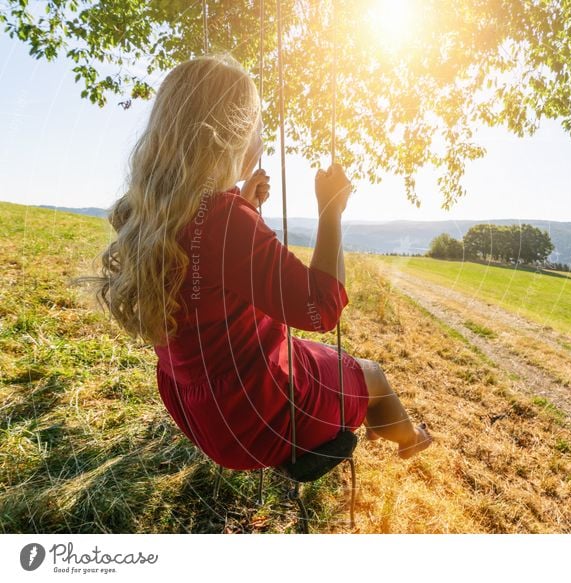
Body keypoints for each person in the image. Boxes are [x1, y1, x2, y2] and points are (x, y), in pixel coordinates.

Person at [80, 54, 432, 471]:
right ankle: (410, 438)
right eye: (257, 130)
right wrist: (331, 210)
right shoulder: (223, 220)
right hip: (259, 414)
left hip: (207, 410)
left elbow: (201, 265)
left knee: (314, 355)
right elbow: (321, 307)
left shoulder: (155, 210)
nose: (260, 141)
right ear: (231, 138)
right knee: (370, 372)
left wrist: (242, 203)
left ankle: (370, 415)